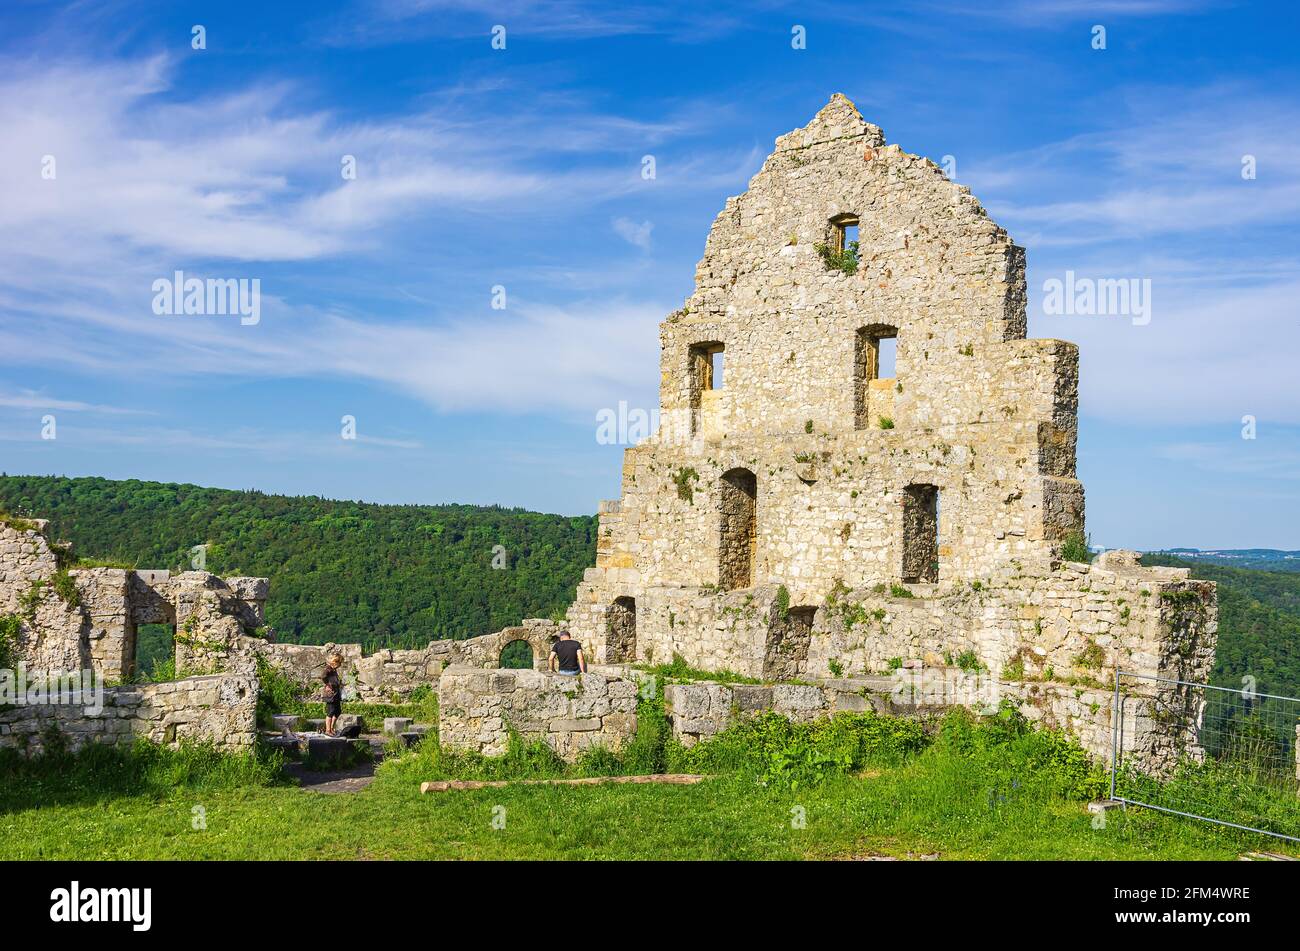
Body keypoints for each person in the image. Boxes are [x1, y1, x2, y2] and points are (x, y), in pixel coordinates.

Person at [321, 653, 344, 736]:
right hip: (331, 695)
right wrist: (328, 684)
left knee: (337, 712)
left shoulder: (334, 670)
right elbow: (323, 676)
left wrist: (339, 684)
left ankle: (332, 728)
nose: (340, 665)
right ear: (335, 662)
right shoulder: (328, 668)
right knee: (330, 712)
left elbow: (334, 680)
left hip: (336, 693)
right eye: (339, 663)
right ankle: (328, 730)